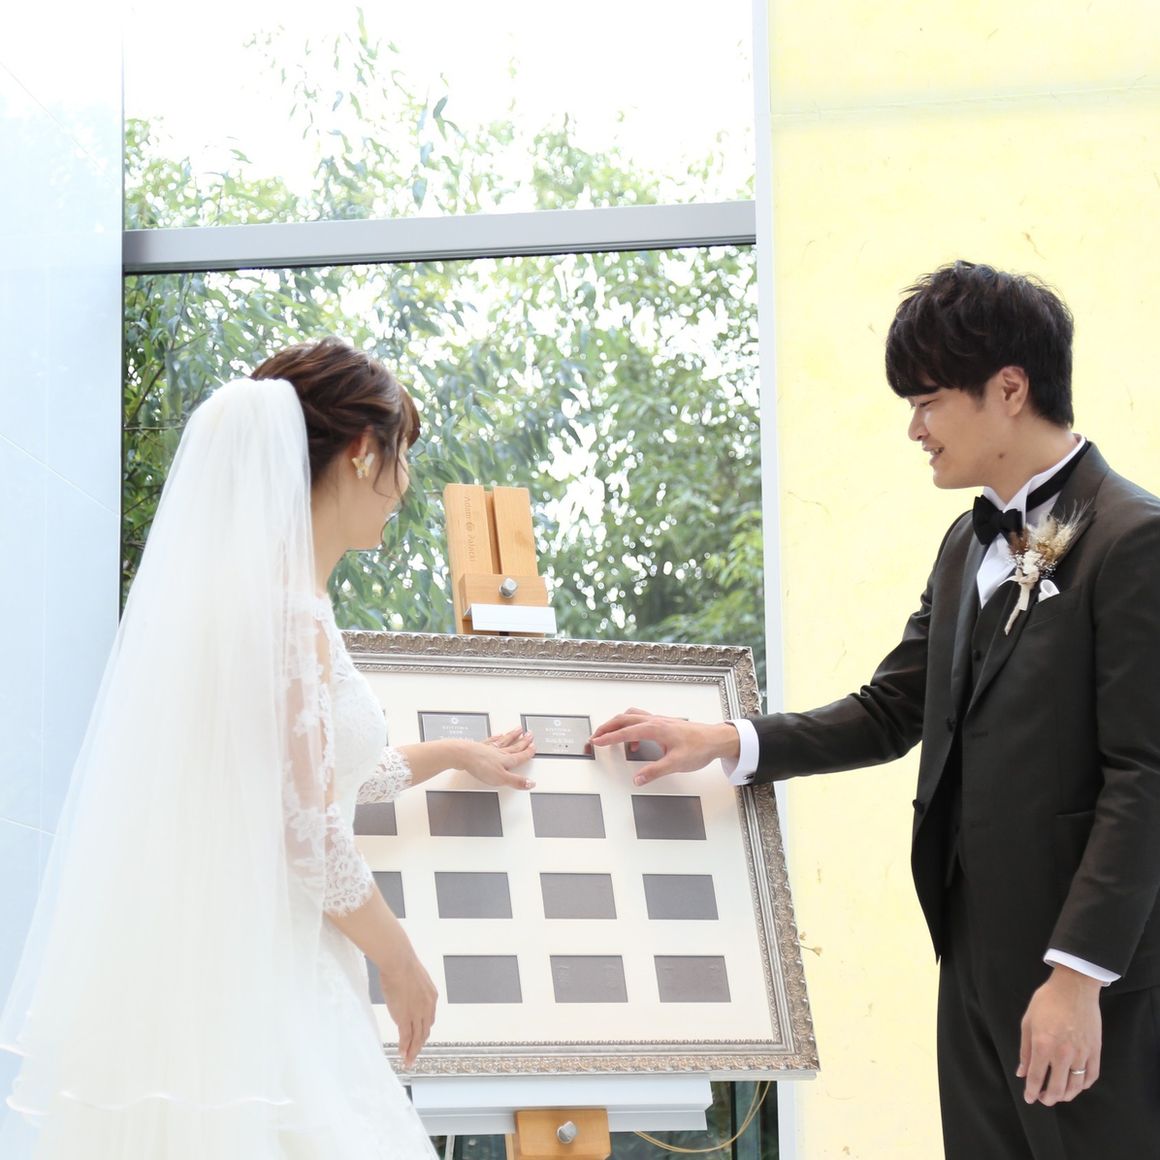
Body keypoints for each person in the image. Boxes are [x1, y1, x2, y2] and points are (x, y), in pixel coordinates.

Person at [592, 262, 1160, 1160]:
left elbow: (1146, 778)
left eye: (928, 402)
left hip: (1089, 982)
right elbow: (892, 708)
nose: (914, 429)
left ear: (1010, 389)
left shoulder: (1135, 539)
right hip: (970, 962)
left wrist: (1077, 976)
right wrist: (726, 740)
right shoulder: (963, 546)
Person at [0, 337, 535, 1159]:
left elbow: (326, 779)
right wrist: (401, 963)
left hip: (230, 976)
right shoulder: (290, 613)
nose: (404, 485)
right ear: (362, 453)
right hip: (274, 979)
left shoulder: (266, 601)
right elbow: (309, 832)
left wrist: (458, 754)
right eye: (402, 457)